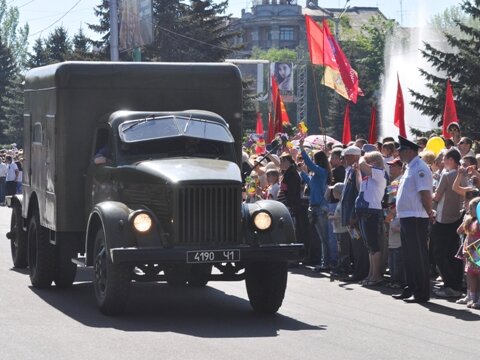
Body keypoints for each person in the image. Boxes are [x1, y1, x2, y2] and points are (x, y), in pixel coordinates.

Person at [392, 136, 433, 303]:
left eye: (401, 150)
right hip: (407, 217)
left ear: (409, 151)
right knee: (408, 255)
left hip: (416, 217)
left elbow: (425, 194)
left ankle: (421, 292)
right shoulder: (409, 167)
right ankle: (410, 287)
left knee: (418, 256)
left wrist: (430, 213)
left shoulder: (420, 168)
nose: (398, 153)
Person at [431, 148, 465, 298]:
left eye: (445, 158)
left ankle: (450, 285)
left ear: (451, 160)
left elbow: (437, 197)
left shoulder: (447, 175)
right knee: (454, 253)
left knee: (439, 253)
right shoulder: (462, 174)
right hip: (457, 218)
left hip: (443, 218)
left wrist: (427, 193)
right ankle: (455, 285)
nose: (442, 161)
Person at [299, 139, 334, 271]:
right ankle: (325, 262)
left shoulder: (322, 171)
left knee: (324, 238)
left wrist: (302, 148)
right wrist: (302, 172)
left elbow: (310, 164)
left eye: (314, 159)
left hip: (320, 207)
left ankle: (326, 263)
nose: (312, 161)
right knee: (321, 237)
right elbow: (309, 182)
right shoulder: (317, 174)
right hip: (315, 207)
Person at [354, 151, 387, 286]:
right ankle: (371, 274)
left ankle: (376, 275)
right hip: (363, 211)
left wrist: (362, 159)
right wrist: (357, 172)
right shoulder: (369, 176)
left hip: (372, 212)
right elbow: (359, 187)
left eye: (368, 161)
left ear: (373, 162)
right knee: (369, 246)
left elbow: (362, 163)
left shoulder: (379, 172)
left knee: (374, 245)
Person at [340, 145, 369, 282]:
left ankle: (360, 272)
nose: (345, 159)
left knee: (359, 246)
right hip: (349, 215)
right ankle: (357, 270)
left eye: (348, 156)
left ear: (355, 156)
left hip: (354, 216)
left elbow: (357, 194)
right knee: (355, 245)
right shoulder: (351, 171)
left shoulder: (359, 171)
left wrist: (352, 215)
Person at [456, 196, 480, 308]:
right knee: (470, 275)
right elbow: (459, 231)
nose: (469, 210)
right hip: (470, 252)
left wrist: (472, 246)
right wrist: (466, 221)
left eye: (472, 208)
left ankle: (478, 299)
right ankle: (471, 297)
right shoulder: (470, 220)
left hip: (477, 252)